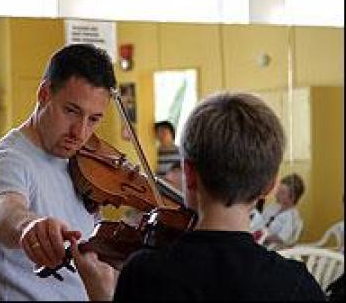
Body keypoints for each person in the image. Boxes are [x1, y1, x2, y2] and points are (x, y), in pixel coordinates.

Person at [70, 91, 326, 301]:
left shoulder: (145, 273)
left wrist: (100, 294)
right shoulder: (295, 284)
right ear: (269, 185)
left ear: (189, 174)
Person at [0, 43, 117, 300]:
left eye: (93, 119)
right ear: (44, 94)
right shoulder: (6, 160)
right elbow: (2, 212)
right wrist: (30, 226)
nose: (79, 133)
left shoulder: (82, 166)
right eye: (71, 111)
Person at [255, 173, 306, 249]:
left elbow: (282, 239)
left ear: (293, 197)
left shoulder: (292, 218)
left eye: (282, 193)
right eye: (278, 190)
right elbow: (259, 222)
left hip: (273, 250)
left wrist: (260, 237)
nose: (277, 194)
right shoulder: (272, 208)